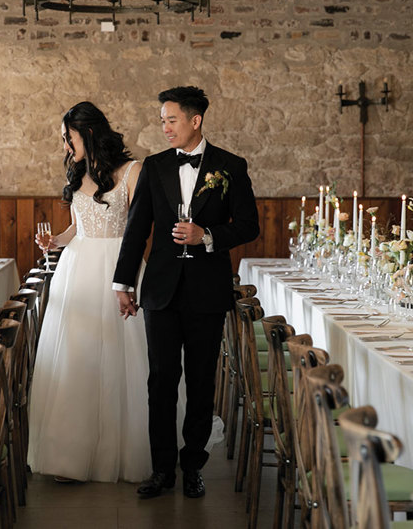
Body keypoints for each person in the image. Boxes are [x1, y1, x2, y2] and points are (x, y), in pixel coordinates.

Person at [113, 86, 260, 499]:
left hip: (207, 292)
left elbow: (249, 225)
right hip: (159, 290)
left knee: (200, 381)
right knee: (160, 381)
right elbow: (136, 229)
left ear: (195, 121)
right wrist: (122, 283)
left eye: (171, 119)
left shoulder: (230, 165)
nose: (164, 127)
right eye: (162, 120)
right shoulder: (154, 166)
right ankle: (162, 470)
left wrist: (207, 235)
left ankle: (193, 464)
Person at [27, 101, 151, 483]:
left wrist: (127, 279)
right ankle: (70, 455)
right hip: (77, 270)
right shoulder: (78, 173)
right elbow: (76, 229)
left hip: (120, 268)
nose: (66, 146)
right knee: (77, 359)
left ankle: (128, 453)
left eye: (69, 138)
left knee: (124, 361)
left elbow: (141, 228)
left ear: (90, 132)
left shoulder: (133, 170)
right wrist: (54, 242)